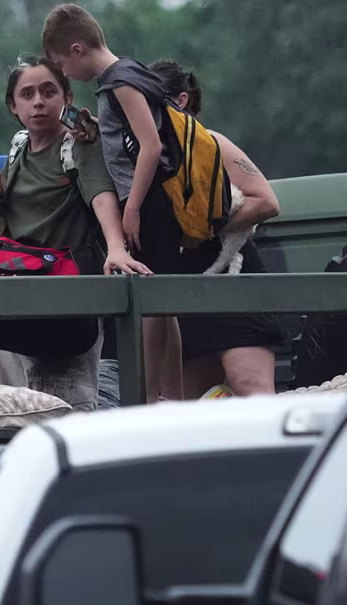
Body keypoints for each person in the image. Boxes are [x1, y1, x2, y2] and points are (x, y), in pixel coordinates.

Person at [0, 56, 151, 409]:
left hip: (64, 306)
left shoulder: (78, 145)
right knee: (12, 419)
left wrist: (116, 247)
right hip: (15, 301)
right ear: (13, 105)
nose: (38, 101)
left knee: (65, 416)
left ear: (66, 97)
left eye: (48, 91)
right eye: (27, 94)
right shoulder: (19, 146)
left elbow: (101, 197)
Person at [42, 3, 184, 402]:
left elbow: (151, 147)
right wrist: (98, 129)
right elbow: (136, 134)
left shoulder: (119, 80)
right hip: (151, 199)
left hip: (151, 200)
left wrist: (133, 208)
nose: (66, 73)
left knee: (149, 302)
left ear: (76, 50)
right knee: (163, 302)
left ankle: (144, 396)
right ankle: (170, 395)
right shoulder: (130, 73)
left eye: (61, 65)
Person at [150, 59, 283, 397]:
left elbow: (266, 201)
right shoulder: (144, 156)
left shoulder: (212, 144)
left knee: (251, 390)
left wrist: (205, 230)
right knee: (188, 408)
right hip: (179, 286)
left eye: (152, 103)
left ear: (180, 101)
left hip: (230, 281)